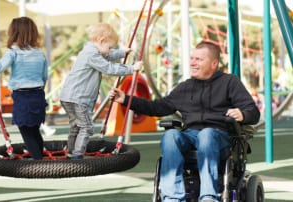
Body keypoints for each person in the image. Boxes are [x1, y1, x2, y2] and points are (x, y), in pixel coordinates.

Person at [109, 41, 260, 202]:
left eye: (199, 60)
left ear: (213, 63)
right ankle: (172, 197)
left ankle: (208, 196)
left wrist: (242, 114)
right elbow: (157, 108)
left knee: (207, 134)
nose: (193, 63)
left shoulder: (229, 82)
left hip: (219, 137)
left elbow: (253, 112)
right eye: (192, 58)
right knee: (171, 136)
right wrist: (125, 99)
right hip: (190, 135)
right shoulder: (185, 87)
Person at [59, 23, 142, 160]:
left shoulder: (89, 51)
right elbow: (108, 68)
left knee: (76, 125)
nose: (110, 50)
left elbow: (107, 55)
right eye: (110, 47)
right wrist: (131, 68)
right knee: (86, 126)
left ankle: (71, 151)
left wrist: (121, 52)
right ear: (102, 40)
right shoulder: (92, 55)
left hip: (67, 96)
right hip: (78, 98)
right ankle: (77, 156)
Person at [0, 17, 48, 160]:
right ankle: (41, 158)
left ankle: (38, 162)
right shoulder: (40, 53)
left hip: (22, 97)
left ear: (14, 33)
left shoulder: (13, 52)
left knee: (26, 131)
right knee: (34, 130)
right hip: (38, 95)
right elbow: (44, 77)